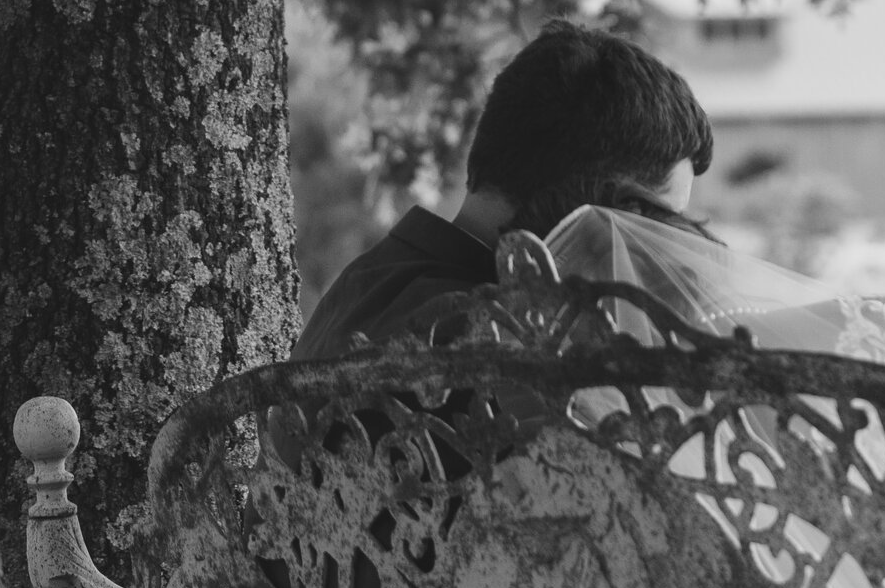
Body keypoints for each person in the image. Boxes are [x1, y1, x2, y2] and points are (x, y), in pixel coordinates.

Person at [293, 20, 712, 360]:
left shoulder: (361, 286)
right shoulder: (507, 343)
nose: (660, 254)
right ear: (599, 209)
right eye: (656, 225)